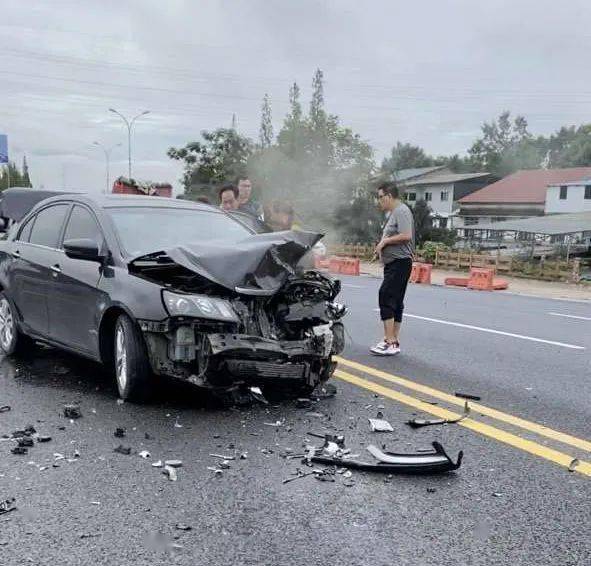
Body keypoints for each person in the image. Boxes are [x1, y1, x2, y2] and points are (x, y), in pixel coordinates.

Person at [370, 181, 415, 356]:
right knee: (395, 301)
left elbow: (406, 235)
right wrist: (381, 249)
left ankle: (390, 341)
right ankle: (392, 340)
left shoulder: (401, 211)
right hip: (395, 263)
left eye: (381, 197)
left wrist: (385, 242)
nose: (379, 201)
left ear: (389, 196)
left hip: (400, 263)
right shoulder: (395, 213)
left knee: (386, 296)